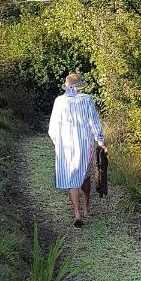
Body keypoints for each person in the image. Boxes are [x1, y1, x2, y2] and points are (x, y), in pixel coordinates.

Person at [48, 72, 107, 228]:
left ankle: (77, 213)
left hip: (66, 145)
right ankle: (87, 206)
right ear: (80, 87)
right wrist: (101, 141)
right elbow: (94, 122)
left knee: (72, 177)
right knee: (85, 175)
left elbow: (53, 128)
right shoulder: (87, 100)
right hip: (84, 143)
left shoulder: (59, 101)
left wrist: (57, 144)